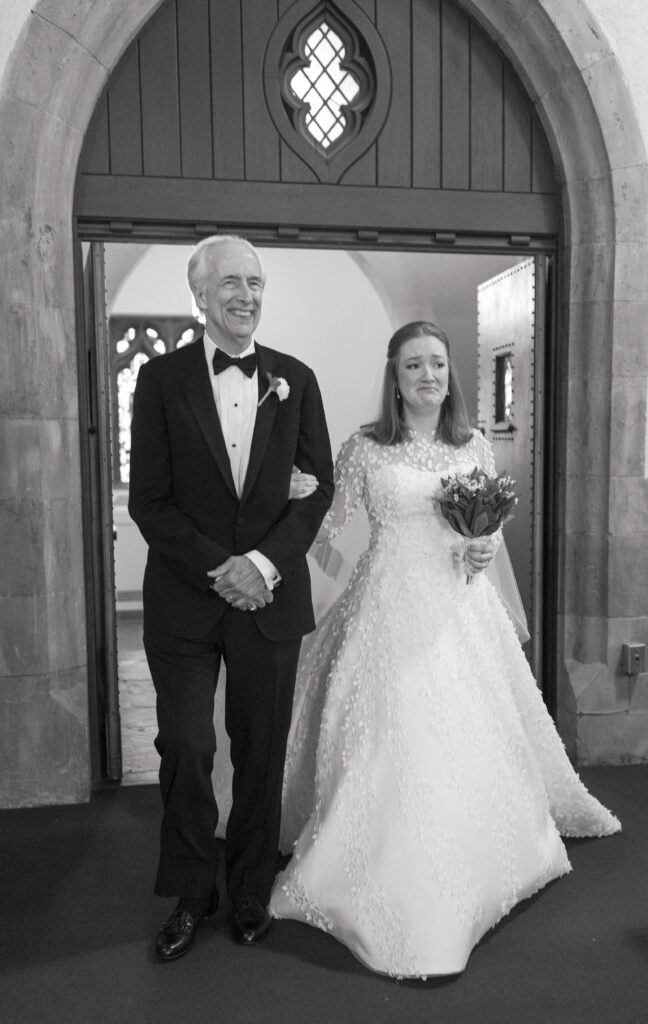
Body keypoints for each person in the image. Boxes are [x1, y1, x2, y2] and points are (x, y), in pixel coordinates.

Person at [269, 320, 620, 978]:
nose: (426, 375)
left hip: (459, 608)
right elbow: (330, 530)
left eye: (435, 364)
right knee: (385, 733)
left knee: (468, 730)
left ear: (448, 374)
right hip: (385, 610)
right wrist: (293, 497)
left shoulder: (474, 446)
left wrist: (484, 547)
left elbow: (487, 529)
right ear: (393, 380)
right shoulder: (366, 449)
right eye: (412, 366)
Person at [128, 235, 334, 961]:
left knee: (261, 748)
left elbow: (317, 491)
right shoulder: (159, 380)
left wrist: (263, 566)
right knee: (185, 744)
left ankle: (250, 888)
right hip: (186, 599)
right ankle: (191, 891)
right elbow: (149, 503)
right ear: (200, 294)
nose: (245, 295)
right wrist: (224, 567)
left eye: (254, 282)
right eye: (230, 283)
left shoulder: (296, 379)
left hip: (270, 600)